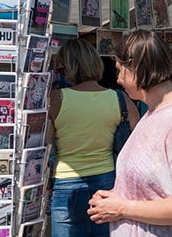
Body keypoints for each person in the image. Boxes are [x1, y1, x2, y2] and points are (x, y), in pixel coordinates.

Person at [87, 30, 172, 236]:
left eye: (119, 70)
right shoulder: (152, 115)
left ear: (135, 66)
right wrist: (114, 199)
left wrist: (121, 208)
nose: (117, 79)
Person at [47, 39, 140, 237]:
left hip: (65, 183)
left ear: (66, 66)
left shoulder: (56, 98)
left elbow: (44, 144)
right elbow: (139, 141)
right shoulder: (120, 98)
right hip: (108, 182)